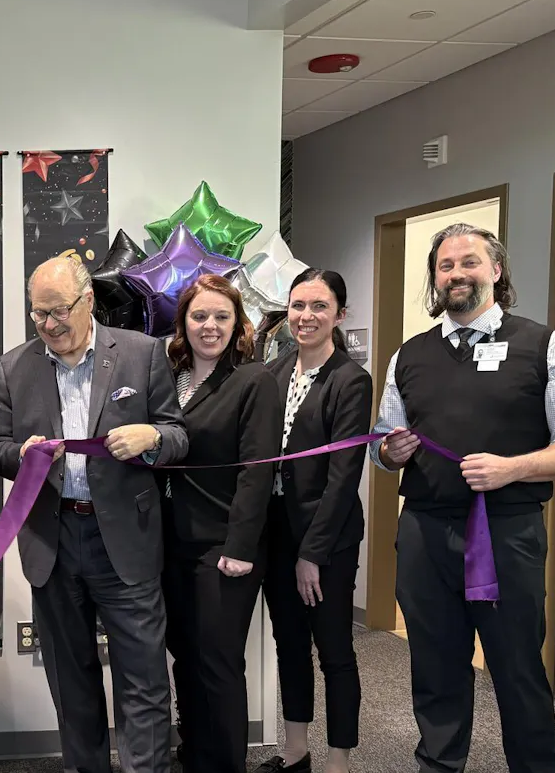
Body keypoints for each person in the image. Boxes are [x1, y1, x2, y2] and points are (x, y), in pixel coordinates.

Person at [372, 223, 555, 773]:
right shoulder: (409, 355)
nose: (456, 274)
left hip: (506, 533)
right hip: (425, 531)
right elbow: (381, 444)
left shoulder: (548, 346)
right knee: (435, 667)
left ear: (496, 271)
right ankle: (439, 765)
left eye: (469, 262)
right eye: (446, 266)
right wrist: (391, 452)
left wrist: (512, 469)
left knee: (517, 668)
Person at [0, 256, 188, 773]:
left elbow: (178, 434)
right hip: (52, 541)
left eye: (58, 312)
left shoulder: (143, 355)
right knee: (71, 683)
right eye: (39, 315)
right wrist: (22, 454)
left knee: (142, 678)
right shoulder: (13, 367)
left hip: (125, 539)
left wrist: (154, 438)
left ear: (88, 300)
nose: (50, 325)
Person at [157, 273, 279, 773]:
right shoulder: (168, 379)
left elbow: (258, 469)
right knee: (184, 655)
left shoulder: (254, 380)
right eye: (199, 316)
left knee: (219, 663)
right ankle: (196, 756)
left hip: (223, 545)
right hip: (168, 542)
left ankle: (226, 764)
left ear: (237, 323)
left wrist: (241, 546)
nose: (210, 326)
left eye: (221, 316)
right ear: (183, 323)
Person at [256, 269, 372, 773]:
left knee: (334, 649)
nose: (306, 316)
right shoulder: (275, 371)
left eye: (319, 306)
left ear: (339, 315)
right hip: (276, 530)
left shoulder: (351, 380)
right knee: (288, 643)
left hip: (328, 537)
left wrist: (312, 555)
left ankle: (338, 758)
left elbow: (344, 477)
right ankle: (296, 747)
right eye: (298, 305)